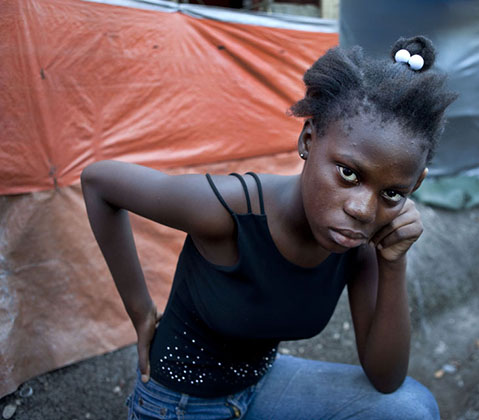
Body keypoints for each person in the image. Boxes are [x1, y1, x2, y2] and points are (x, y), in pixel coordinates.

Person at [81, 35, 456, 419]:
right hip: (178, 403)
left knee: (410, 407)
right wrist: (141, 311)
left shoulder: (360, 239)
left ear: (416, 185)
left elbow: (386, 379)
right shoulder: (228, 211)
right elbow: (99, 183)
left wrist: (393, 262)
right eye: (348, 173)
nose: (362, 209)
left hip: (260, 385)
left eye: (392, 193)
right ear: (308, 139)